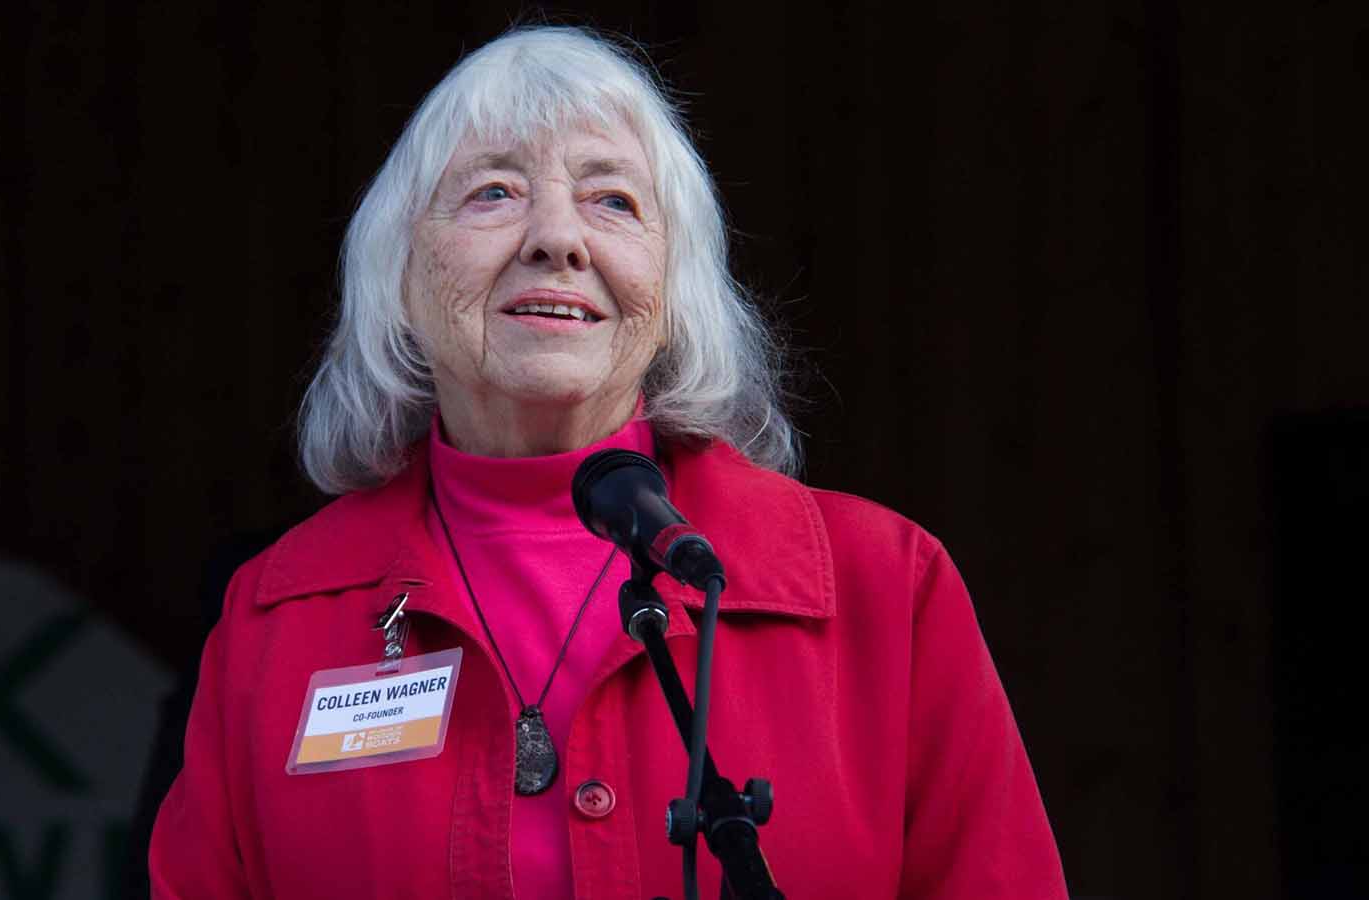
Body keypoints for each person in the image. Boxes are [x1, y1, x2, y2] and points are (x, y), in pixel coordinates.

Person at [149, 26, 1065, 899]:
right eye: (494, 193)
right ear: (399, 273)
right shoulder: (278, 615)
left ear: (674, 293)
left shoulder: (885, 588)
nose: (558, 239)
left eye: (613, 201)